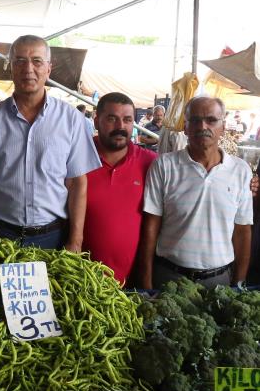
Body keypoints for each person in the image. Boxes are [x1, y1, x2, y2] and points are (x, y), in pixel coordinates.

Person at [0, 34, 100, 251]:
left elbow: (77, 184)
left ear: (49, 69)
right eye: (20, 61)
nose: (28, 69)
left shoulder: (72, 120)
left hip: (51, 237)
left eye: (37, 61)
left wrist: (75, 240)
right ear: (11, 68)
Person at [138, 96, 253, 289]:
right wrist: (146, 284)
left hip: (219, 281)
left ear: (223, 127)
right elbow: (151, 226)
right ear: (185, 127)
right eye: (195, 120)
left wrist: (238, 285)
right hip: (168, 278)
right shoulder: (164, 165)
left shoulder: (241, 171)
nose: (203, 126)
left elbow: (242, 231)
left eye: (211, 120)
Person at [82, 92, 157, 284]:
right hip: (81, 277)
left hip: (134, 280)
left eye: (127, 120)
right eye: (112, 119)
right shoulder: (76, 157)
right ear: (96, 121)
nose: (120, 127)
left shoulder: (150, 163)